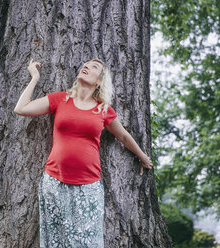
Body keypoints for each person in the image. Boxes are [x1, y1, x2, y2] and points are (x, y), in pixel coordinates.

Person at [14, 58, 153, 247]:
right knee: (55, 243)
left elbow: (124, 137)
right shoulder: (60, 99)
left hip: (88, 187)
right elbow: (21, 108)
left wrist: (142, 157)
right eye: (85, 64)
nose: (86, 66)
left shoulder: (103, 109)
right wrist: (34, 78)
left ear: (99, 82)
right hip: (54, 183)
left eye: (94, 66)